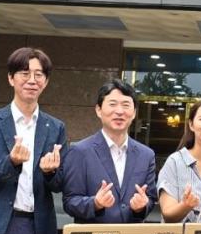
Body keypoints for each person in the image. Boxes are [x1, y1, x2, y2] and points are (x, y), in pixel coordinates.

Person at [0, 47, 67, 234]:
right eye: (25, 73)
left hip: (40, 228)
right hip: (0, 225)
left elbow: (60, 183)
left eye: (39, 74)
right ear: (11, 78)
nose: (32, 80)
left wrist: (50, 172)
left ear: (46, 81)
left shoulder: (56, 127)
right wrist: (11, 162)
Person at [62, 79, 156, 223]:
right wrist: (95, 203)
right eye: (112, 104)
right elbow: (70, 201)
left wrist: (141, 207)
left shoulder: (146, 155)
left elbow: (150, 198)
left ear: (134, 113)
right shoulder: (80, 151)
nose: (119, 111)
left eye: (126, 105)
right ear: (98, 110)